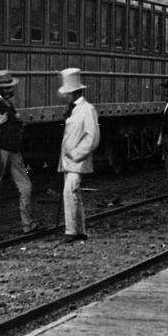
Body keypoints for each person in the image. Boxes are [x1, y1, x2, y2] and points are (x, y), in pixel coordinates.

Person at [0, 70, 40, 240]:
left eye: (11, 87)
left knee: (26, 187)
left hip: (14, 152)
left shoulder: (8, 103)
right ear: (0, 89)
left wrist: (16, 120)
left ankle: (28, 224)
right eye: (8, 87)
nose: (11, 90)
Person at [57, 68, 99, 243]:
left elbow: (93, 137)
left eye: (68, 93)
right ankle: (80, 229)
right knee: (74, 193)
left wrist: (76, 154)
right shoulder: (74, 109)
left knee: (70, 192)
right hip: (69, 160)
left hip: (77, 160)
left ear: (75, 93)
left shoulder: (87, 109)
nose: (66, 96)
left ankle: (71, 230)